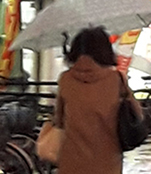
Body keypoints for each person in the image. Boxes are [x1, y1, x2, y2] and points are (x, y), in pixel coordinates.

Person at [54, 26, 141, 174]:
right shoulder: (116, 79)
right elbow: (137, 114)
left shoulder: (66, 79)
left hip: (72, 162)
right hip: (107, 162)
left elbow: (59, 120)